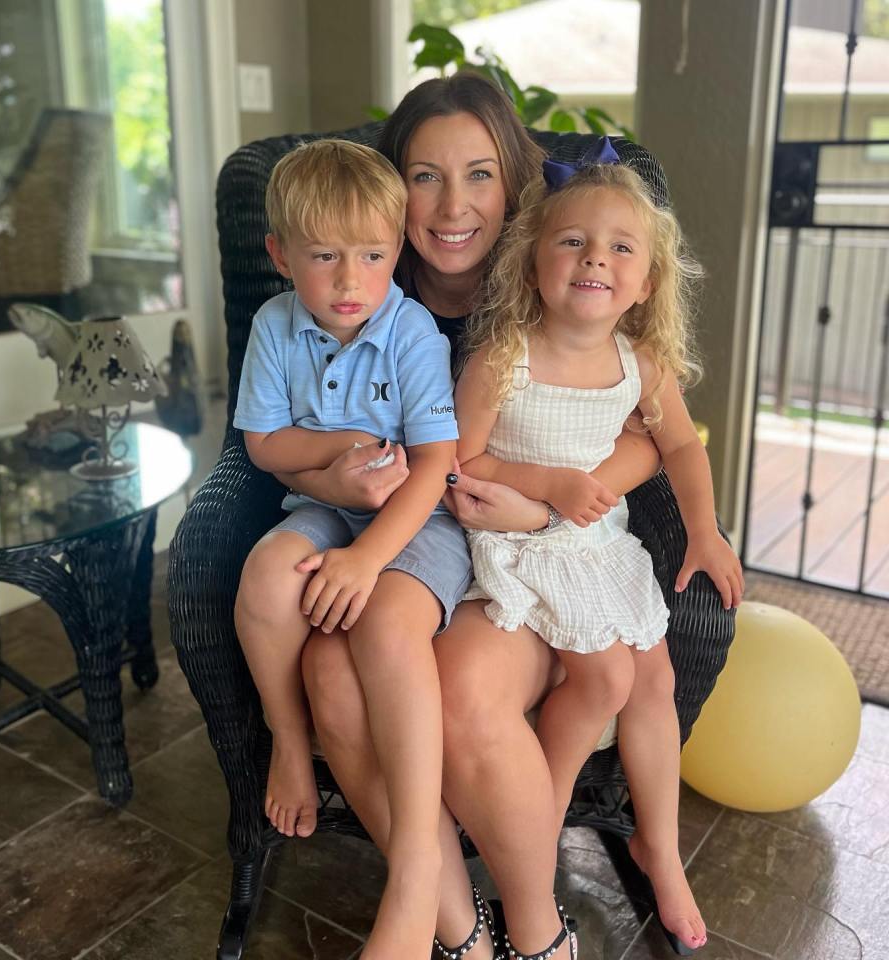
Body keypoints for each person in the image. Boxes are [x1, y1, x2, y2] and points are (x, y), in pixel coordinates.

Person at [270, 74, 663, 960]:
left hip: (518, 561)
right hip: (398, 542)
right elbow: (278, 431)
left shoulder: (556, 287)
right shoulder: (356, 287)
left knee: (468, 697)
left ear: (514, 184)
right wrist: (334, 484)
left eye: (480, 175)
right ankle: (456, 928)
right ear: (388, 187)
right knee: (332, 673)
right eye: (424, 177)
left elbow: (654, 431)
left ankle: (539, 934)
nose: (453, 206)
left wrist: (547, 497)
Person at [454, 145, 745, 953]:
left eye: (622, 248)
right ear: (533, 260)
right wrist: (546, 480)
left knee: (653, 677)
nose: (596, 259)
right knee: (605, 674)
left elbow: (683, 449)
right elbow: (459, 463)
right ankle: (535, 830)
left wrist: (704, 531)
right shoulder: (502, 359)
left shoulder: (640, 365)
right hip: (524, 544)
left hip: (602, 547)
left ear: (647, 281)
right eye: (574, 241)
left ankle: (657, 843)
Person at [231, 139, 471, 959]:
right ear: (280, 254)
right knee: (265, 578)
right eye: (324, 257)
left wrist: (371, 559)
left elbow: (436, 463)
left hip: (417, 519)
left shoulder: (411, 333)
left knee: (381, 626)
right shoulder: (275, 324)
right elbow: (264, 443)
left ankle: (414, 871)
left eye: (371, 256)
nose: (347, 282)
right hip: (326, 502)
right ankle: (290, 746)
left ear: (396, 250)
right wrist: (334, 483)